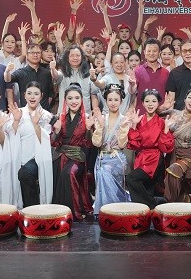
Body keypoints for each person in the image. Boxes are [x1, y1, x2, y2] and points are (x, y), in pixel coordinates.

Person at [1, 82, 54, 208]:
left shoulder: (46, 115)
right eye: (29, 93)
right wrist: (16, 120)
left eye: (36, 94)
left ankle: (33, 209)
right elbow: (10, 135)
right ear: (24, 95)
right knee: (18, 174)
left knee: (24, 173)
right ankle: (24, 208)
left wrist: (36, 125)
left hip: (36, 158)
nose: (32, 97)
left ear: (41, 96)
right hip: (18, 157)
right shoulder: (17, 112)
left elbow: (46, 140)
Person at [51, 84, 94, 221]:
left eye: (77, 98)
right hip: (60, 155)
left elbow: (89, 144)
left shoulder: (86, 118)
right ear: (65, 100)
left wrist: (88, 129)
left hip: (77, 156)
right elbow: (54, 143)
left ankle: (73, 212)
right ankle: (59, 211)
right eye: (70, 98)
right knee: (58, 170)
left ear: (82, 99)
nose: (73, 101)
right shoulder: (61, 117)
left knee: (69, 172)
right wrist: (57, 131)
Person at [126, 89, 175, 208]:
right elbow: (134, 145)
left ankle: (152, 202)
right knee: (146, 191)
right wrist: (134, 125)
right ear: (142, 103)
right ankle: (152, 204)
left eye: (154, 101)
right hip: (141, 158)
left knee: (131, 179)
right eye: (147, 101)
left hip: (155, 159)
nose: (150, 104)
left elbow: (166, 148)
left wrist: (166, 129)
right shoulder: (138, 120)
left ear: (158, 103)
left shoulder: (162, 122)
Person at [91, 85, 135, 213]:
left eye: (116, 100)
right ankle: (107, 210)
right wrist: (100, 126)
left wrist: (123, 128)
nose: (113, 103)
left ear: (121, 101)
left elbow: (121, 145)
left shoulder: (124, 120)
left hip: (117, 158)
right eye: (110, 100)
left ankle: (110, 210)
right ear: (105, 101)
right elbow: (96, 143)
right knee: (102, 171)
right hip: (101, 158)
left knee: (104, 172)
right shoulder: (102, 118)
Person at [162, 88, 191, 204]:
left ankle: (169, 204)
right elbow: (155, 115)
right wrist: (163, 107)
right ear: (185, 99)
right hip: (171, 153)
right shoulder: (174, 113)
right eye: (190, 97)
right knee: (177, 187)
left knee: (174, 170)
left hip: (188, 156)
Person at [52, 45, 101, 116]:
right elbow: (56, 75)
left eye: (78, 55)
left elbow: (94, 94)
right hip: (65, 114)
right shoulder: (62, 72)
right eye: (72, 55)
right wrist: (53, 69)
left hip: (85, 114)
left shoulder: (89, 73)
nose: (75, 58)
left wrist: (95, 112)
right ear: (67, 58)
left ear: (82, 57)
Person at [8, 42, 55, 111]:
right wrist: (7, 71)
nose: (35, 55)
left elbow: (50, 94)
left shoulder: (47, 73)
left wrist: (45, 109)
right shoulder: (21, 72)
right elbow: (8, 79)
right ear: (27, 55)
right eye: (32, 53)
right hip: (26, 113)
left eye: (38, 53)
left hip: (44, 113)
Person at [134, 38, 170, 114]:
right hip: (142, 115)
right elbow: (133, 93)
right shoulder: (137, 71)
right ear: (144, 52)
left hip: (161, 115)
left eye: (154, 51)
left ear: (159, 53)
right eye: (149, 51)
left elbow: (169, 94)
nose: (151, 53)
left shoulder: (166, 72)